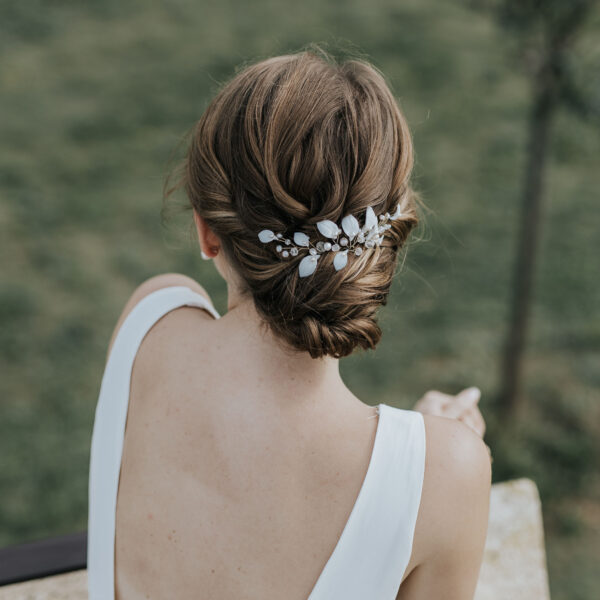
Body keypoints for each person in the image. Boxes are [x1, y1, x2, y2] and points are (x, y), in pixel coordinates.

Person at [87, 48, 492, 600]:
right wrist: (428, 465)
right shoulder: (448, 476)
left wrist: (417, 462)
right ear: (384, 249)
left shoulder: (149, 322)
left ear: (207, 233)